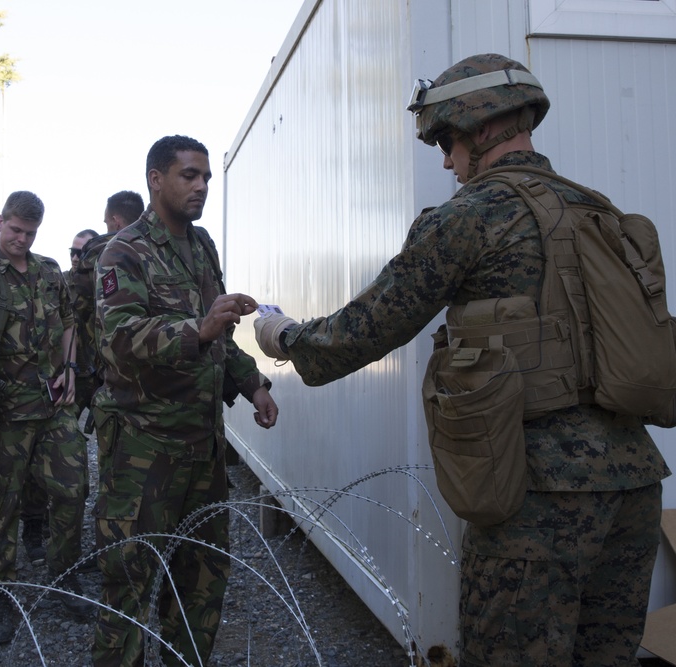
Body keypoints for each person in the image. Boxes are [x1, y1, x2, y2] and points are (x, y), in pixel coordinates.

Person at [253, 54, 670, 667]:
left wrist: (280, 333)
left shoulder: (470, 216)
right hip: (634, 488)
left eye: (446, 141)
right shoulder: (600, 212)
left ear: (480, 128)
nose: (446, 161)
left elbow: (365, 330)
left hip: (537, 498)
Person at [92, 135, 279, 667]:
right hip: (144, 452)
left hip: (204, 449)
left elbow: (218, 337)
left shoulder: (201, 247)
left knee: (201, 582)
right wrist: (196, 329)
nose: (200, 186)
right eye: (188, 176)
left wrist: (253, 384)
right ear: (156, 179)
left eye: (205, 178)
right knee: (128, 584)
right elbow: (120, 339)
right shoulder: (124, 251)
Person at [0, 190, 93, 645]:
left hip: (52, 406)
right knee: (0, 508)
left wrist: (70, 368)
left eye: (30, 233)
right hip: (4, 415)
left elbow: (70, 320)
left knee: (74, 488)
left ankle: (64, 574)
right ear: (0, 222)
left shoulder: (49, 270)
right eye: (15, 230)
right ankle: (0, 591)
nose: (22, 239)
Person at [70, 191, 145, 420]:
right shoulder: (159, 249)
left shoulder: (99, 251)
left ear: (115, 220)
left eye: (105, 222)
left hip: (102, 368)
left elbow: (72, 311)